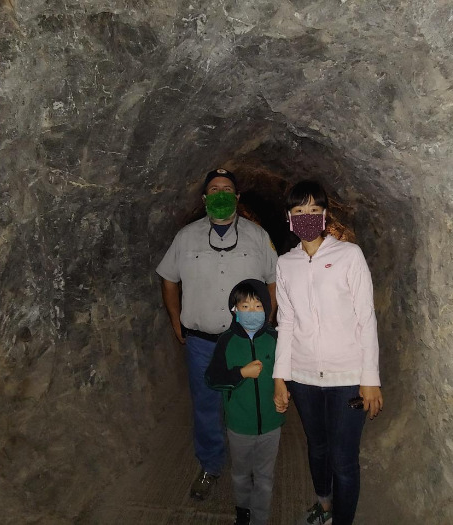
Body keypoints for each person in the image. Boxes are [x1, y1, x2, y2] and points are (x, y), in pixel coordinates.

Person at [156, 169, 277, 500]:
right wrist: (175, 319)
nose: (221, 193)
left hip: (245, 341)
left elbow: (273, 278)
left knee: (248, 403)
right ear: (204, 198)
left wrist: (267, 320)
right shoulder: (185, 237)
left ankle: (250, 465)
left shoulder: (257, 236)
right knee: (206, 406)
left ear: (237, 197)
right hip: (202, 342)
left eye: (227, 189)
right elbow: (168, 278)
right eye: (214, 189)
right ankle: (210, 465)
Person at [272, 180, 383, 525]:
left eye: (314, 210)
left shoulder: (349, 255)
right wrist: (280, 377)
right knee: (317, 447)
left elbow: (366, 317)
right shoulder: (285, 263)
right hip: (303, 376)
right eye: (299, 210)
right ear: (289, 217)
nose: (307, 216)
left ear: (324, 215)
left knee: (343, 459)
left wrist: (370, 378)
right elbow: (286, 322)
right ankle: (324, 504)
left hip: (347, 376)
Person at [206, 279, 284, 525]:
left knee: (265, 476)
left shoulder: (276, 339)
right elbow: (212, 378)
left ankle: (260, 518)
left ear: (267, 308)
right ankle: (243, 512)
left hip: (271, 424)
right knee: (240, 474)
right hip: (239, 426)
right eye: (245, 306)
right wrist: (241, 373)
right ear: (235, 310)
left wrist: (285, 393)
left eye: (258, 306)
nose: (252, 312)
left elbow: (287, 373)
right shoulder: (226, 341)